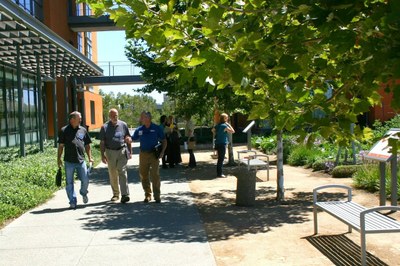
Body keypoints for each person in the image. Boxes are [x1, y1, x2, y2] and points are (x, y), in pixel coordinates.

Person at [57, 111, 94, 209]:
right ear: (72, 119)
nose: (81, 120)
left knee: (85, 179)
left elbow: (87, 145)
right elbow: (61, 146)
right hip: (69, 161)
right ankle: (72, 201)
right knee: (69, 183)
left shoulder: (83, 130)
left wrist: (90, 157)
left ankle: (83, 192)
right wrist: (58, 158)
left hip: (81, 160)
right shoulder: (64, 130)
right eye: (79, 118)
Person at [132, 111, 167, 203]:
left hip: (153, 154)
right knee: (143, 175)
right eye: (142, 118)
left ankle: (157, 195)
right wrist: (128, 139)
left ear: (149, 118)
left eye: (144, 117)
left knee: (155, 175)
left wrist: (162, 152)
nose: (143, 119)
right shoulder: (139, 129)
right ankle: (147, 194)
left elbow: (164, 140)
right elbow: (133, 138)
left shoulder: (156, 128)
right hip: (143, 154)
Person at [99, 108, 132, 203]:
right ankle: (116, 194)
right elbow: (102, 142)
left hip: (122, 150)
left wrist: (130, 151)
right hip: (110, 152)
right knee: (113, 173)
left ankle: (125, 194)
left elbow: (128, 137)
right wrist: (102, 155)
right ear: (109, 117)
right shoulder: (104, 127)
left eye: (116, 115)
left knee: (122, 171)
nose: (115, 117)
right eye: (113, 116)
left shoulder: (123, 125)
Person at [212, 113, 235, 178]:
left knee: (219, 158)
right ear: (224, 119)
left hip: (217, 143)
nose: (227, 119)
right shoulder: (224, 126)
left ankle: (219, 172)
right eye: (227, 118)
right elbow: (233, 131)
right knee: (221, 159)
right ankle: (220, 173)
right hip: (222, 143)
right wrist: (228, 124)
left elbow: (213, 130)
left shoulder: (218, 125)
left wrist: (218, 134)